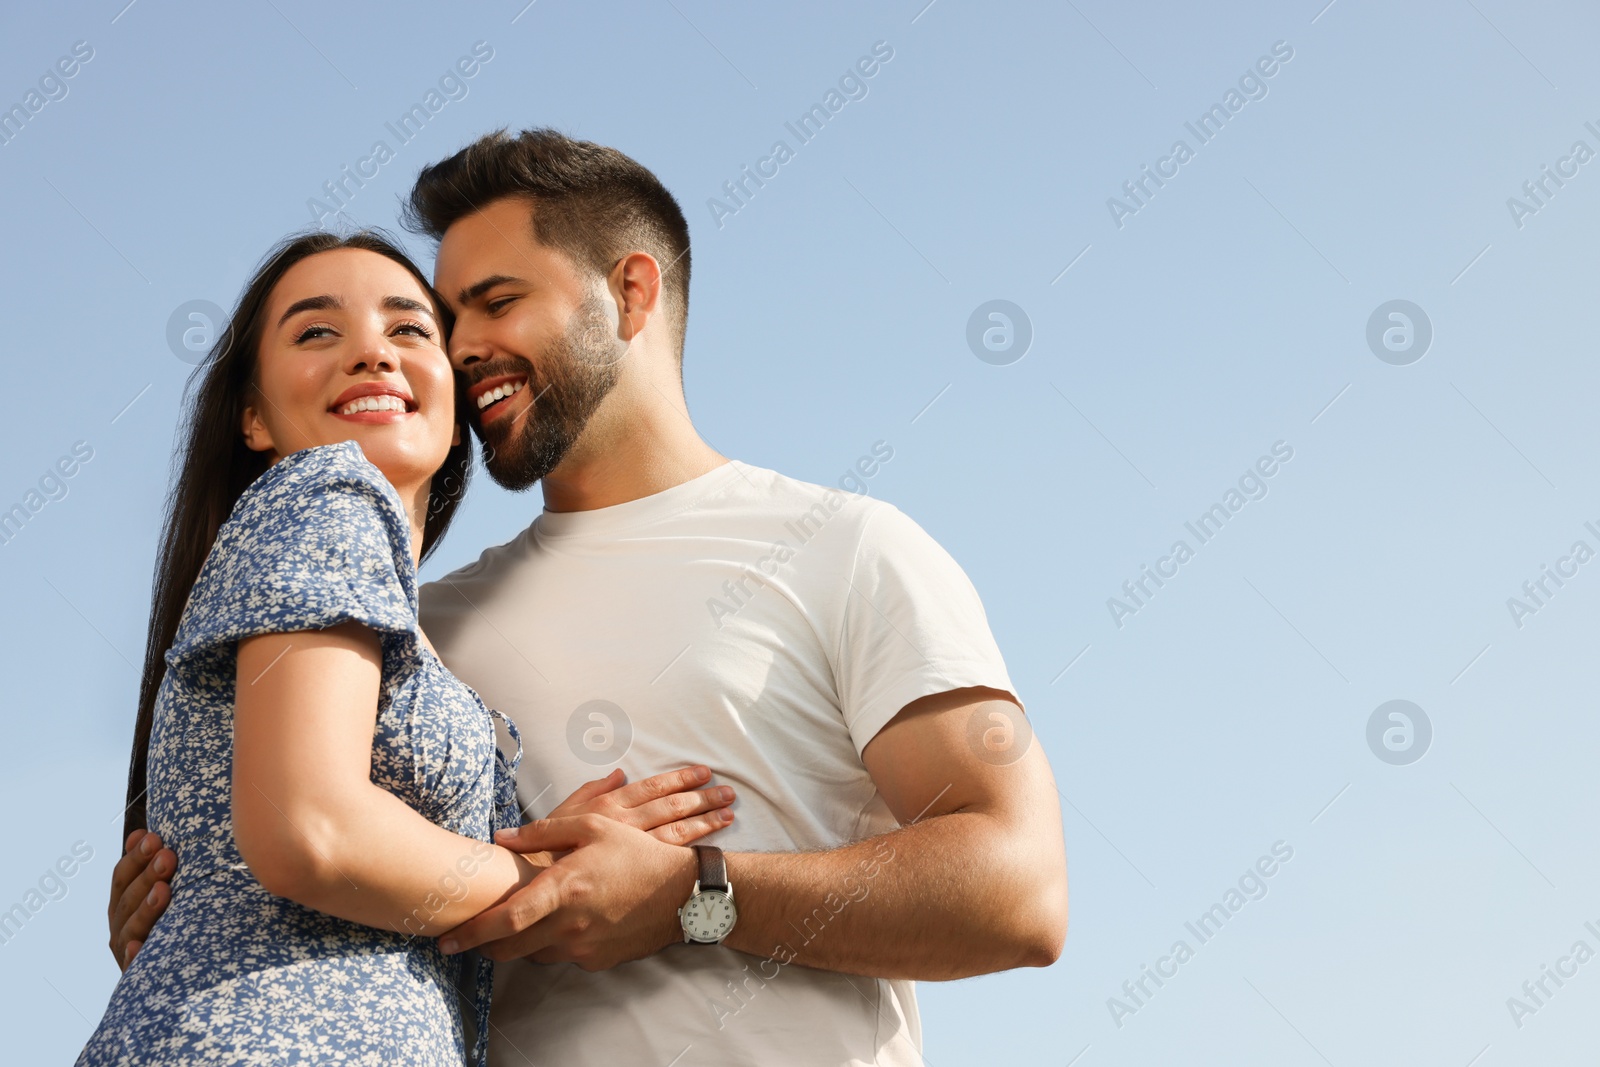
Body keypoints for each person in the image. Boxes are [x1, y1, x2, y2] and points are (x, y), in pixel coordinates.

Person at [112, 129, 1069, 1066]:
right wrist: (194, 906)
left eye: (496, 303)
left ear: (631, 290)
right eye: (447, 323)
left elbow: (1018, 889)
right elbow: (311, 843)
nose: (463, 347)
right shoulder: (417, 635)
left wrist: (699, 896)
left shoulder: (847, 549)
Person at [86, 230, 735, 1066]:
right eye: (317, 331)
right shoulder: (329, 490)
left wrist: (541, 844)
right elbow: (310, 827)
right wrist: (555, 882)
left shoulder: (387, 609)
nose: (370, 353)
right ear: (251, 415)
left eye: (408, 331)